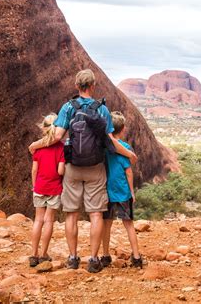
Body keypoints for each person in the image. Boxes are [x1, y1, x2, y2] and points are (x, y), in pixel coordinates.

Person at [28, 69, 138, 273]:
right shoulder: (102, 110)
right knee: (96, 214)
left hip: (73, 167)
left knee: (71, 214)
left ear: (77, 86)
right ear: (93, 86)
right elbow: (112, 142)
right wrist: (129, 154)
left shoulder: (68, 107)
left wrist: (36, 144)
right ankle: (94, 259)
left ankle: (73, 257)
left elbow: (56, 136)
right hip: (95, 167)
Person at [100, 111, 142, 269]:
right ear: (122, 129)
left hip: (107, 191)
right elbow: (128, 172)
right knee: (129, 224)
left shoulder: (105, 148)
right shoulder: (125, 148)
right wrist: (131, 192)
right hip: (123, 192)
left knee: (106, 224)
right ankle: (136, 257)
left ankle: (105, 256)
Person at [29, 113, 65, 267]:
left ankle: (33, 254)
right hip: (54, 188)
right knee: (49, 220)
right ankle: (44, 254)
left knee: (38, 220)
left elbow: (34, 170)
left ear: (44, 130)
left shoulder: (39, 149)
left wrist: (34, 185)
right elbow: (60, 171)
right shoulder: (61, 148)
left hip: (40, 187)